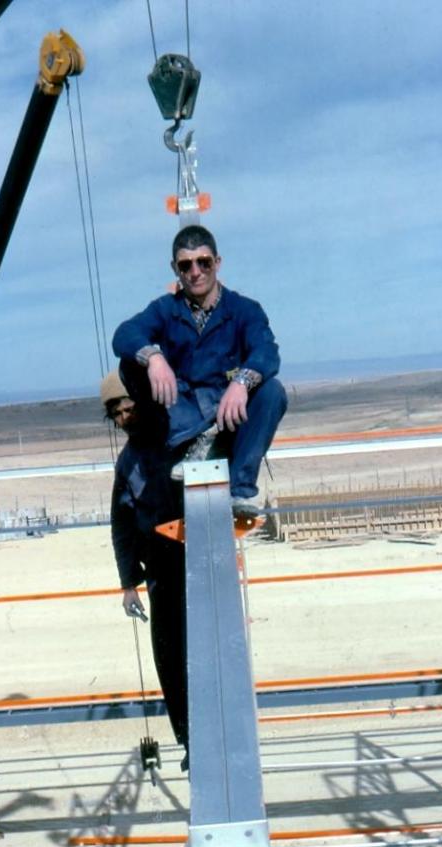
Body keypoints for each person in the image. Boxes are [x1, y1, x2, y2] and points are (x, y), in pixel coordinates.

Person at [112, 225, 287, 517]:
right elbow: (125, 334)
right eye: (186, 265)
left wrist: (242, 382)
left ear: (217, 263)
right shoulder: (165, 309)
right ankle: (190, 442)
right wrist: (153, 357)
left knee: (272, 391)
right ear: (175, 269)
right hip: (182, 414)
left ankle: (240, 489)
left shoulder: (244, 310)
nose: (196, 271)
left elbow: (267, 351)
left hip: (228, 414)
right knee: (130, 362)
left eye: (203, 262)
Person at [101, 372, 189, 769]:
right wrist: (128, 583)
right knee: (168, 660)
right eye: (116, 413)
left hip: (195, 557)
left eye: (129, 408)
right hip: (160, 567)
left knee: (203, 652)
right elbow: (121, 524)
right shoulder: (128, 462)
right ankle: (189, 741)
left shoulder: (179, 437)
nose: (123, 418)